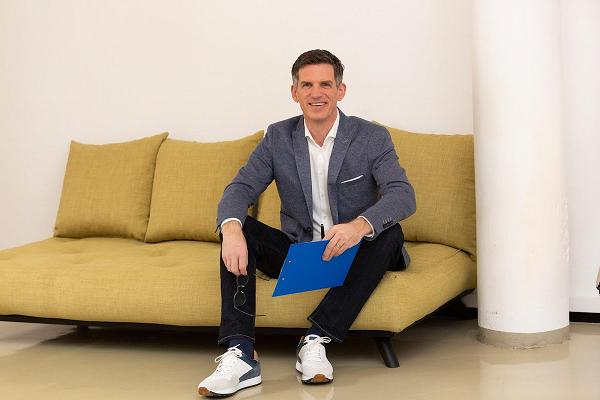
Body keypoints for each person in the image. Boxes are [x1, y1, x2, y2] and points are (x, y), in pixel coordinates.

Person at [197, 49, 416, 397]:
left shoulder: (371, 137)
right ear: (294, 92)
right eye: (307, 85)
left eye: (326, 84)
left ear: (340, 90)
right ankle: (241, 353)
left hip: (354, 253)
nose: (317, 93)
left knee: (390, 234)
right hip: (300, 254)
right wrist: (232, 228)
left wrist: (359, 225)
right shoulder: (278, 137)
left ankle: (315, 339)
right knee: (241, 228)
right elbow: (240, 188)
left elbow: (402, 195)